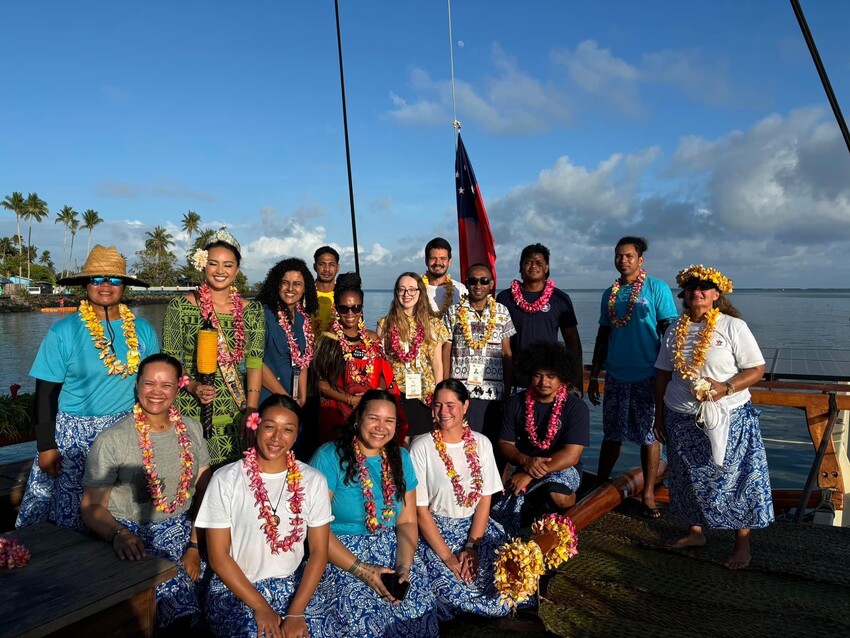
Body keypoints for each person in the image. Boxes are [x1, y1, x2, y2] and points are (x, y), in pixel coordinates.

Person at [16, 245, 160, 531]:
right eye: (97, 279)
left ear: (124, 286)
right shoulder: (64, 331)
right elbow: (45, 393)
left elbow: (156, 384)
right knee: (66, 516)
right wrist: (46, 446)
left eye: (114, 280)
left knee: (120, 512)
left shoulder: (143, 330)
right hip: (75, 437)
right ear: (86, 284)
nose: (106, 286)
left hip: (126, 432)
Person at [654, 265, 773, 570]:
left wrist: (726, 387)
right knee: (685, 477)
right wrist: (659, 416)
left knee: (735, 479)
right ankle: (695, 533)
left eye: (705, 288)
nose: (698, 292)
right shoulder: (673, 329)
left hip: (729, 415)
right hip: (680, 415)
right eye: (692, 287)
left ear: (716, 295)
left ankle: (742, 544)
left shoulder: (733, 327)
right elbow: (663, 374)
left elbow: (756, 369)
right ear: (684, 293)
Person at [81, 353, 211, 630]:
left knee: (224, 594)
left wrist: (195, 546)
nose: (156, 392)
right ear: (137, 386)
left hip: (189, 532)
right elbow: (91, 508)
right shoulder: (113, 440)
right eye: (149, 383)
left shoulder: (192, 428)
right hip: (137, 539)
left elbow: (205, 492)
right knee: (181, 611)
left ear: (178, 388)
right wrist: (119, 534)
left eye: (166, 385)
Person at [196, 394, 336, 638]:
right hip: (239, 589)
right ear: (255, 424)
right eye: (270, 426)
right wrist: (261, 606)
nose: (277, 438)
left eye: (287, 430)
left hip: (294, 587)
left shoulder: (313, 481)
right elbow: (218, 557)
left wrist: (295, 613)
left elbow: (319, 553)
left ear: (296, 434)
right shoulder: (226, 479)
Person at [310, 389, 438, 637]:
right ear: (358, 418)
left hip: (393, 547)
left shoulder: (400, 456)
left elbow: (407, 520)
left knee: (414, 613)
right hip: (340, 553)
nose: (381, 427)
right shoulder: (329, 456)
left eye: (389, 421)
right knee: (360, 618)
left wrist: (403, 567)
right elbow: (316, 531)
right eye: (374, 418)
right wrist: (363, 571)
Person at [588, 237, 677, 517]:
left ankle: (648, 494)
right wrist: (594, 374)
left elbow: (668, 331)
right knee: (611, 434)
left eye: (628, 256)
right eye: (618, 256)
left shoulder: (657, 288)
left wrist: (671, 373)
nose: (622, 260)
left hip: (648, 375)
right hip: (615, 374)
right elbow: (603, 335)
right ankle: (598, 486)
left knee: (649, 435)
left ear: (640, 260)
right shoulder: (609, 293)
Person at [163, 228, 265, 466]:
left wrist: (251, 408)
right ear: (202, 265)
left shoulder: (253, 311)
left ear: (237, 270)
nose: (220, 271)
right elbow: (170, 358)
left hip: (235, 408)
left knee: (233, 480)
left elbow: (254, 363)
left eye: (228, 265)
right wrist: (193, 386)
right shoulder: (180, 306)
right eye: (213, 264)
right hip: (191, 407)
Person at [409, 379, 510, 620]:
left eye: (451, 405)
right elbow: (420, 510)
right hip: (435, 533)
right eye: (438, 405)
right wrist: (448, 557)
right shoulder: (421, 446)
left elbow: (484, 501)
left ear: (465, 406)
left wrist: (472, 547)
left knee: (502, 585)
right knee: (449, 592)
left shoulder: (482, 443)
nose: (443, 412)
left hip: (474, 530)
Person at [492, 341, 590, 535]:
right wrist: (525, 461)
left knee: (558, 493)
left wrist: (530, 474)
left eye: (551, 376)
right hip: (526, 464)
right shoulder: (516, 403)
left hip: (562, 467)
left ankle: (570, 508)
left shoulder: (576, 407)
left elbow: (572, 455)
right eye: (538, 375)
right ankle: (534, 507)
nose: (544, 382)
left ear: (562, 379)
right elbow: (505, 443)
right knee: (501, 521)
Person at [312, 273, 403, 444]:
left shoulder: (373, 339)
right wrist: (351, 400)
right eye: (344, 308)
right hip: (337, 415)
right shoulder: (328, 340)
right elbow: (321, 383)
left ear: (362, 308)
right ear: (336, 309)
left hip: (370, 413)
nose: (350, 313)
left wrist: (370, 395)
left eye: (355, 308)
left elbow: (385, 376)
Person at [496, 243, 583, 391]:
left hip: (548, 381)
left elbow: (572, 341)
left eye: (539, 263)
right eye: (528, 262)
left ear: (547, 268)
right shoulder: (505, 297)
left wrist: (576, 380)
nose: (533, 266)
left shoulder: (560, 299)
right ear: (521, 267)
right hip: (514, 380)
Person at [443, 263, 515, 438]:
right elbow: (446, 350)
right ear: (466, 283)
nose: (478, 285)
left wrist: (507, 389)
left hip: (493, 389)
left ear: (491, 284)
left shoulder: (502, 311)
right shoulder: (453, 312)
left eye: (484, 281)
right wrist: (445, 386)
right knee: (462, 440)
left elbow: (506, 352)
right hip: (461, 389)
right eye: (473, 280)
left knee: (490, 442)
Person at [377, 272, 449, 436]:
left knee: (422, 442)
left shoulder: (433, 324)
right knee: (399, 442)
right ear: (396, 293)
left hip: (424, 394)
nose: (406, 294)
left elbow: (437, 364)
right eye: (401, 290)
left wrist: (438, 399)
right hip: (396, 393)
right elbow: (381, 363)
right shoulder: (385, 324)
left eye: (411, 289)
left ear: (420, 292)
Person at [256, 258, 318, 408]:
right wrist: (284, 397)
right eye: (285, 282)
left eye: (297, 284)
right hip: (268, 397)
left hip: (295, 401)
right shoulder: (263, 314)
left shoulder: (304, 318)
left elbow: (303, 360)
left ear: (305, 288)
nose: (290, 288)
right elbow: (256, 363)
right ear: (277, 284)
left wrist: (302, 396)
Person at [422, 237, 467, 318]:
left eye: (443, 258)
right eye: (433, 258)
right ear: (426, 261)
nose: (438, 263)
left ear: (449, 262)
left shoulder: (460, 289)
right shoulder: (416, 288)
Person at [313, 246, 340, 334]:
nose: (326, 269)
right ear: (315, 267)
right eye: (322, 264)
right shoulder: (304, 294)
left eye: (331, 264)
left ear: (337, 268)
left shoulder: (343, 296)